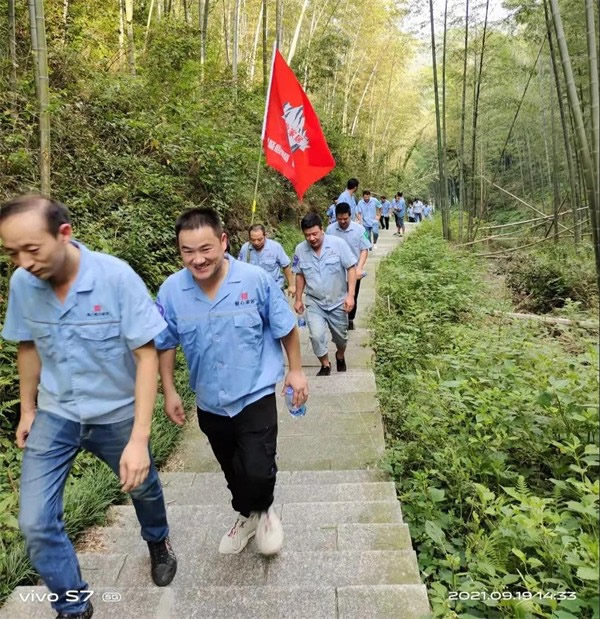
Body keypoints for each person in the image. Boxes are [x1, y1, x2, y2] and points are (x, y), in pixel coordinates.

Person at [0, 195, 177, 619]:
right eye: (12, 253)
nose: (24, 262)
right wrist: (28, 410)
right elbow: (28, 345)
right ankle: (73, 605)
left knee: (144, 483)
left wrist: (139, 437)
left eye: (33, 249)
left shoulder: (116, 278)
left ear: (64, 234)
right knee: (36, 522)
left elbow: (146, 355)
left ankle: (157, 539)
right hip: (57, 413)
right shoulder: (24, 284)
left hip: (115, 412)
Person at [154, 208, 308, 557]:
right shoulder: (171, 291)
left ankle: (265, 510)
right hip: (209, 400)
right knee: (232, 470)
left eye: (205, 248)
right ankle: (247, 515)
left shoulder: (255, 280)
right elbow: (164, 343)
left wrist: (295, 370)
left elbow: (286, 327)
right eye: (187, 251)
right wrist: (170, 390)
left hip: (254, 393)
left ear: (223, 242)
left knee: (257, 468)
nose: (197, 259)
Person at [292, 213, 357, 376]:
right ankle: (325, 364)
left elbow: (351, 268)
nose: (312, 238)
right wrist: (299, 299)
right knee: (316, 335)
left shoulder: (338, 244)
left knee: (341, 338)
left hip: (338, 301)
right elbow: (299, 274)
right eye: (307, 235)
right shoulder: (300, 250)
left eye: (315, 234)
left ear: (322, 230)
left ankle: (340, 355)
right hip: (315, 302)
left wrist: (351, 296)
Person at [326, 202, 371, 331]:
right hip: (336, 270)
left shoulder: (360, 230)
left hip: (354, 270)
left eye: (345, 219)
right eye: (340, 219)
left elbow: (364, 249)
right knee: (336, 296)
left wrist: (360, 267)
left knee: (352, 295)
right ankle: (338, 320)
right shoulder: (330, 230)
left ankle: (350, 319)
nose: (343, 221)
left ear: (350, 216)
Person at [238, 224, 295, 297]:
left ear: (265, 236)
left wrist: (292, 285)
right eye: (253, 240)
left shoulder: (275, 247)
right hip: (254, 292)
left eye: (259, 239)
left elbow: (286, 266)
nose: (256, 242)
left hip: (275, 290)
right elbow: (240, 269)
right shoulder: (245, 248)